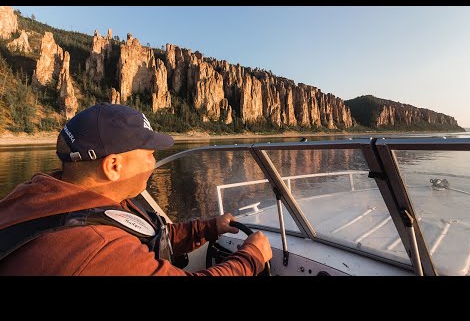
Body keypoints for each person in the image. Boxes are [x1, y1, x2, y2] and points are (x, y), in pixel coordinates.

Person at [0, 103, 272, 276]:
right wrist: (252, 257)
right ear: (113, 166)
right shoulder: (96, 247)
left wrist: (209, 227)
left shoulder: (45, 192)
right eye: (150, 154)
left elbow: (150, 233)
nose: (154, 163)